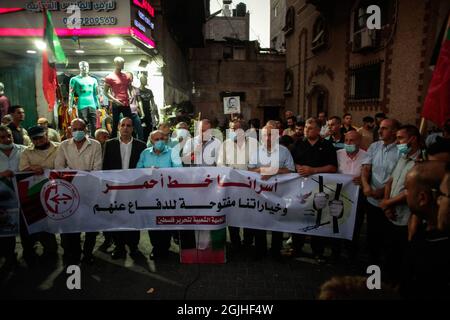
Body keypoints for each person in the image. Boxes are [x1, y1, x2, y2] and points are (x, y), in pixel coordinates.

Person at [54, 118, 102, 265]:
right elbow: (59, 168)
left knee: (91, 226)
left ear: (86, 129)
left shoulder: (95, 145)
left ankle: (88, 254)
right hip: (69, 192)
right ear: (70, 130)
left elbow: (97, 169)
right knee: (72, 225)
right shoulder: (63, 146)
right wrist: (81, 173)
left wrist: (73, 172)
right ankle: (74, 254)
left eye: (80, 129)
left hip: (90, 191)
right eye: (74, 129)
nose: (77, 132)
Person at [379, 125, 422, 283]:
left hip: (405, 218)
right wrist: (387, 205)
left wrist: (386, 203)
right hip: (391, 215)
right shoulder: (402, 158)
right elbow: (390, 181)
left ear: (413, 139)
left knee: (402, 256)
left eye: (400, 138)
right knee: (388, 253)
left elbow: (410, 191)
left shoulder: (421, 162)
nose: (397, 142)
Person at [290, 118, 338, 261]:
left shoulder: (327, 145)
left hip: (320, 189)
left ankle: (318, 251)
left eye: (310, 128)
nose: (306, 129)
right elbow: (291, 163)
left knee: (318, 218)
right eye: (305, 127)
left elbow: (333, 167)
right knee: (299, 217)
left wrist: (313, 170)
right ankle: (296, 248)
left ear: (318, 130)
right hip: (300, 189)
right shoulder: (297, 144)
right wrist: (297, 167)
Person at [401, 161, 450, 299]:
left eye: (406, 189)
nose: (405, 194)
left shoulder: (433, 251)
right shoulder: (422, 234)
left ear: (422, 198)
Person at [248, 124, 295, 259]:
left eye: (270, 134)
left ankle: (275, 250)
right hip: (260, 194)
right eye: (264, 135)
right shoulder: (256, 152)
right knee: (259, 222)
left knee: (277, 221)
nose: (267, 138)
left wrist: (274, 170)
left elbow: (291, 170)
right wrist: (264, 170)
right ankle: (260, 251)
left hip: (278, 193)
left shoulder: (284, 151)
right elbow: (250, 171)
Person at [102, 117, 147, 259]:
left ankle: (134, 247)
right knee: (117, 217)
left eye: (129, 125)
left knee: (134, 217)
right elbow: (105, 167)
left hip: (134, 189)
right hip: (115, 188)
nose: (126, 128)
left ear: (133, 128)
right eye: (123, 125)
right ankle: (119, 246)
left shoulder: (141, 146)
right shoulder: (109, 145)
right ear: (118, 128)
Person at [137, 130, 182, 259]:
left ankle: (165, 247)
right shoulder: (145, 153)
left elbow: (179, 170)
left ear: (166, 139)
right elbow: (137, 170)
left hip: (167, 194)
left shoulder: (173, 153)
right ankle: (156, 247)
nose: (160, 141)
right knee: (152, 222)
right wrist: (148, 171)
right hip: (149, 195)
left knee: (166, 221)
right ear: (151, 141)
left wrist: (162, 172)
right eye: (156, 139)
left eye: (162, 138)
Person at [361, 118, 400, 265]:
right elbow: (365, 168)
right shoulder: (374, 146)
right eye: (380, 127)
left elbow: (399, 174)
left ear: (394, 131)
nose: (380, 130)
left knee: (389, 238)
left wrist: (383, 191)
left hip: (390, 201)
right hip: (372, 200)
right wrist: (366, 185)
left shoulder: (400, 150)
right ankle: (373, 270)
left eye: (384, 128)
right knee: (373, 236)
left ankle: (388, 272)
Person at [18, 126, 59, 264]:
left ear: (46, 135)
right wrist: (31, 168)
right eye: (35, 139)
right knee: (35, 221)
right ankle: (31, 250)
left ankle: (52, 249)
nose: (38, 140)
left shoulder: (59, 148)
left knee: (52, 221)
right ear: (31, 139)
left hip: (56, 192)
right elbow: (22, 170)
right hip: (34, 194)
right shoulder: (26, 152)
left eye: (41, 137)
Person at [217, 120, 256, 254]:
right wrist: (230, 170)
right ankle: (236, 243)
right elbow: (220, 163)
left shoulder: (254, 144)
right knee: (232, 215)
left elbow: (257, 164)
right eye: (231, 129)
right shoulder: (225, 145)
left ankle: (248, 242)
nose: (233, 131)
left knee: (248, 215)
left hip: (248, 186)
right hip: (231, 186)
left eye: (236, 129)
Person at [337, 130, 368, 259]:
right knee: (339, 220)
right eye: (346, 140)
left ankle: (352, 249)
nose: (348, 143)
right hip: (340, 195)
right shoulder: (338, 154)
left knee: (356, 222)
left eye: (352, 140)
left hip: (358, 195)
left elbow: (370, 175)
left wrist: (363, 180)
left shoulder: (366, 156)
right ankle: (338, 249)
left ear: (359, 142)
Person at [0, 125, 26, 267]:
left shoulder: (22, 150)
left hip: (22, 194)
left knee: (25, 226)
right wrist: (2, 174)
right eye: (2, 137)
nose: (7, 139)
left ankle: (29, 252)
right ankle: (10, 256)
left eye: (9, 135)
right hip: (3, 198)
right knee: (6, 228)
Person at [69, 61, 100, 138]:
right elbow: (71, 94)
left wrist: (99, 107)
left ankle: (94, 141)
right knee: (82, 124)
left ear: (88, 67)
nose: (84, 68)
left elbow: (96, 95)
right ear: (79, 68)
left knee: (94, 125)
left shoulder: (93, 80)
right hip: (82, 104)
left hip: (92, 104)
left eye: (86, 66)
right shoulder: (74, 79)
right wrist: (70, 107)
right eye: (82, 66)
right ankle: (83, 140)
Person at [104, 57, 132, 138]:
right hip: (116, 103)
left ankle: (131, 140)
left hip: (126, 103)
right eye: (120, 63)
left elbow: (130, 88)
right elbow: (105, 92)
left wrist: (130, 96)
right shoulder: (110, 77)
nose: (122, 65)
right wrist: (115, 100)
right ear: (116, 64)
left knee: (129, 122)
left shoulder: (126, 76)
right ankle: (113, 141)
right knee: (115, 123)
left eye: (123, 63)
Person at [138, 73, 159, 141]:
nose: (146, 81)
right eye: (145, 79)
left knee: (150, 129)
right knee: (142, 129)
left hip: (149, 112)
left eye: (146, 79)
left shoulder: (149, 91)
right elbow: (138, 102)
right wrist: (142, 112)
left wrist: (155, 112)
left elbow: (153, 102)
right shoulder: (137, 90)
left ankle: (149, 143)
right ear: (141, 80)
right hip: (141, 113)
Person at [126, 72, 144, 141]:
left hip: (135, 112)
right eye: (128, 78)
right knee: (127, 131)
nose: (129, 79)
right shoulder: (123, 90)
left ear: (132, 79)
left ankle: (140, 145)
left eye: (130, 78)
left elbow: (139, 101)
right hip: (126, 113)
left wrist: (142, 112)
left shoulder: (136, 89)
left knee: (140, 130)